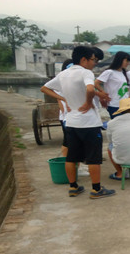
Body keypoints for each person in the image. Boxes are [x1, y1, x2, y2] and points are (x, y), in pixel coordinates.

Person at [41, 45, 116, 199]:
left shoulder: (63, 74)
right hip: (89, 123)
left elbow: (45, 88)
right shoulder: (85, 72)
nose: (94, 63)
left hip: (71, 122)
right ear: (83, 60)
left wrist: (63, 98)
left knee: (71, 157)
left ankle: (73, 187)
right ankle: (96, 189)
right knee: (94, 158)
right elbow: (90, 89)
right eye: (93, 60)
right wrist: (88, 103)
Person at [94, 51, 130, 118]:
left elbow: (126, 88)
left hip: (125, 104)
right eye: (126, 61)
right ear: (120, 60)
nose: (128, 63)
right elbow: (96, 83)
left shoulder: (123, 73)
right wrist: (103, 94)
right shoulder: (109, 72)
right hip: (114, 104)